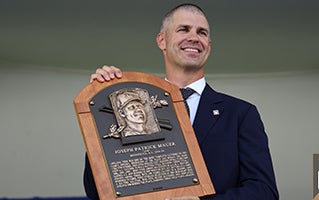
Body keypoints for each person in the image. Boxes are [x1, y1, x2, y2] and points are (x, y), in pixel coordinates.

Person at [84, 3, 279, 200]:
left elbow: (264, 191)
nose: (194, 38)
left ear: (208, 45)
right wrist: (101, 111)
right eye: (183, 29)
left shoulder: (240, 114)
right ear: (162, 40)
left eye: (202, 33)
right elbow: (96, 191)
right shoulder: (136, 108)